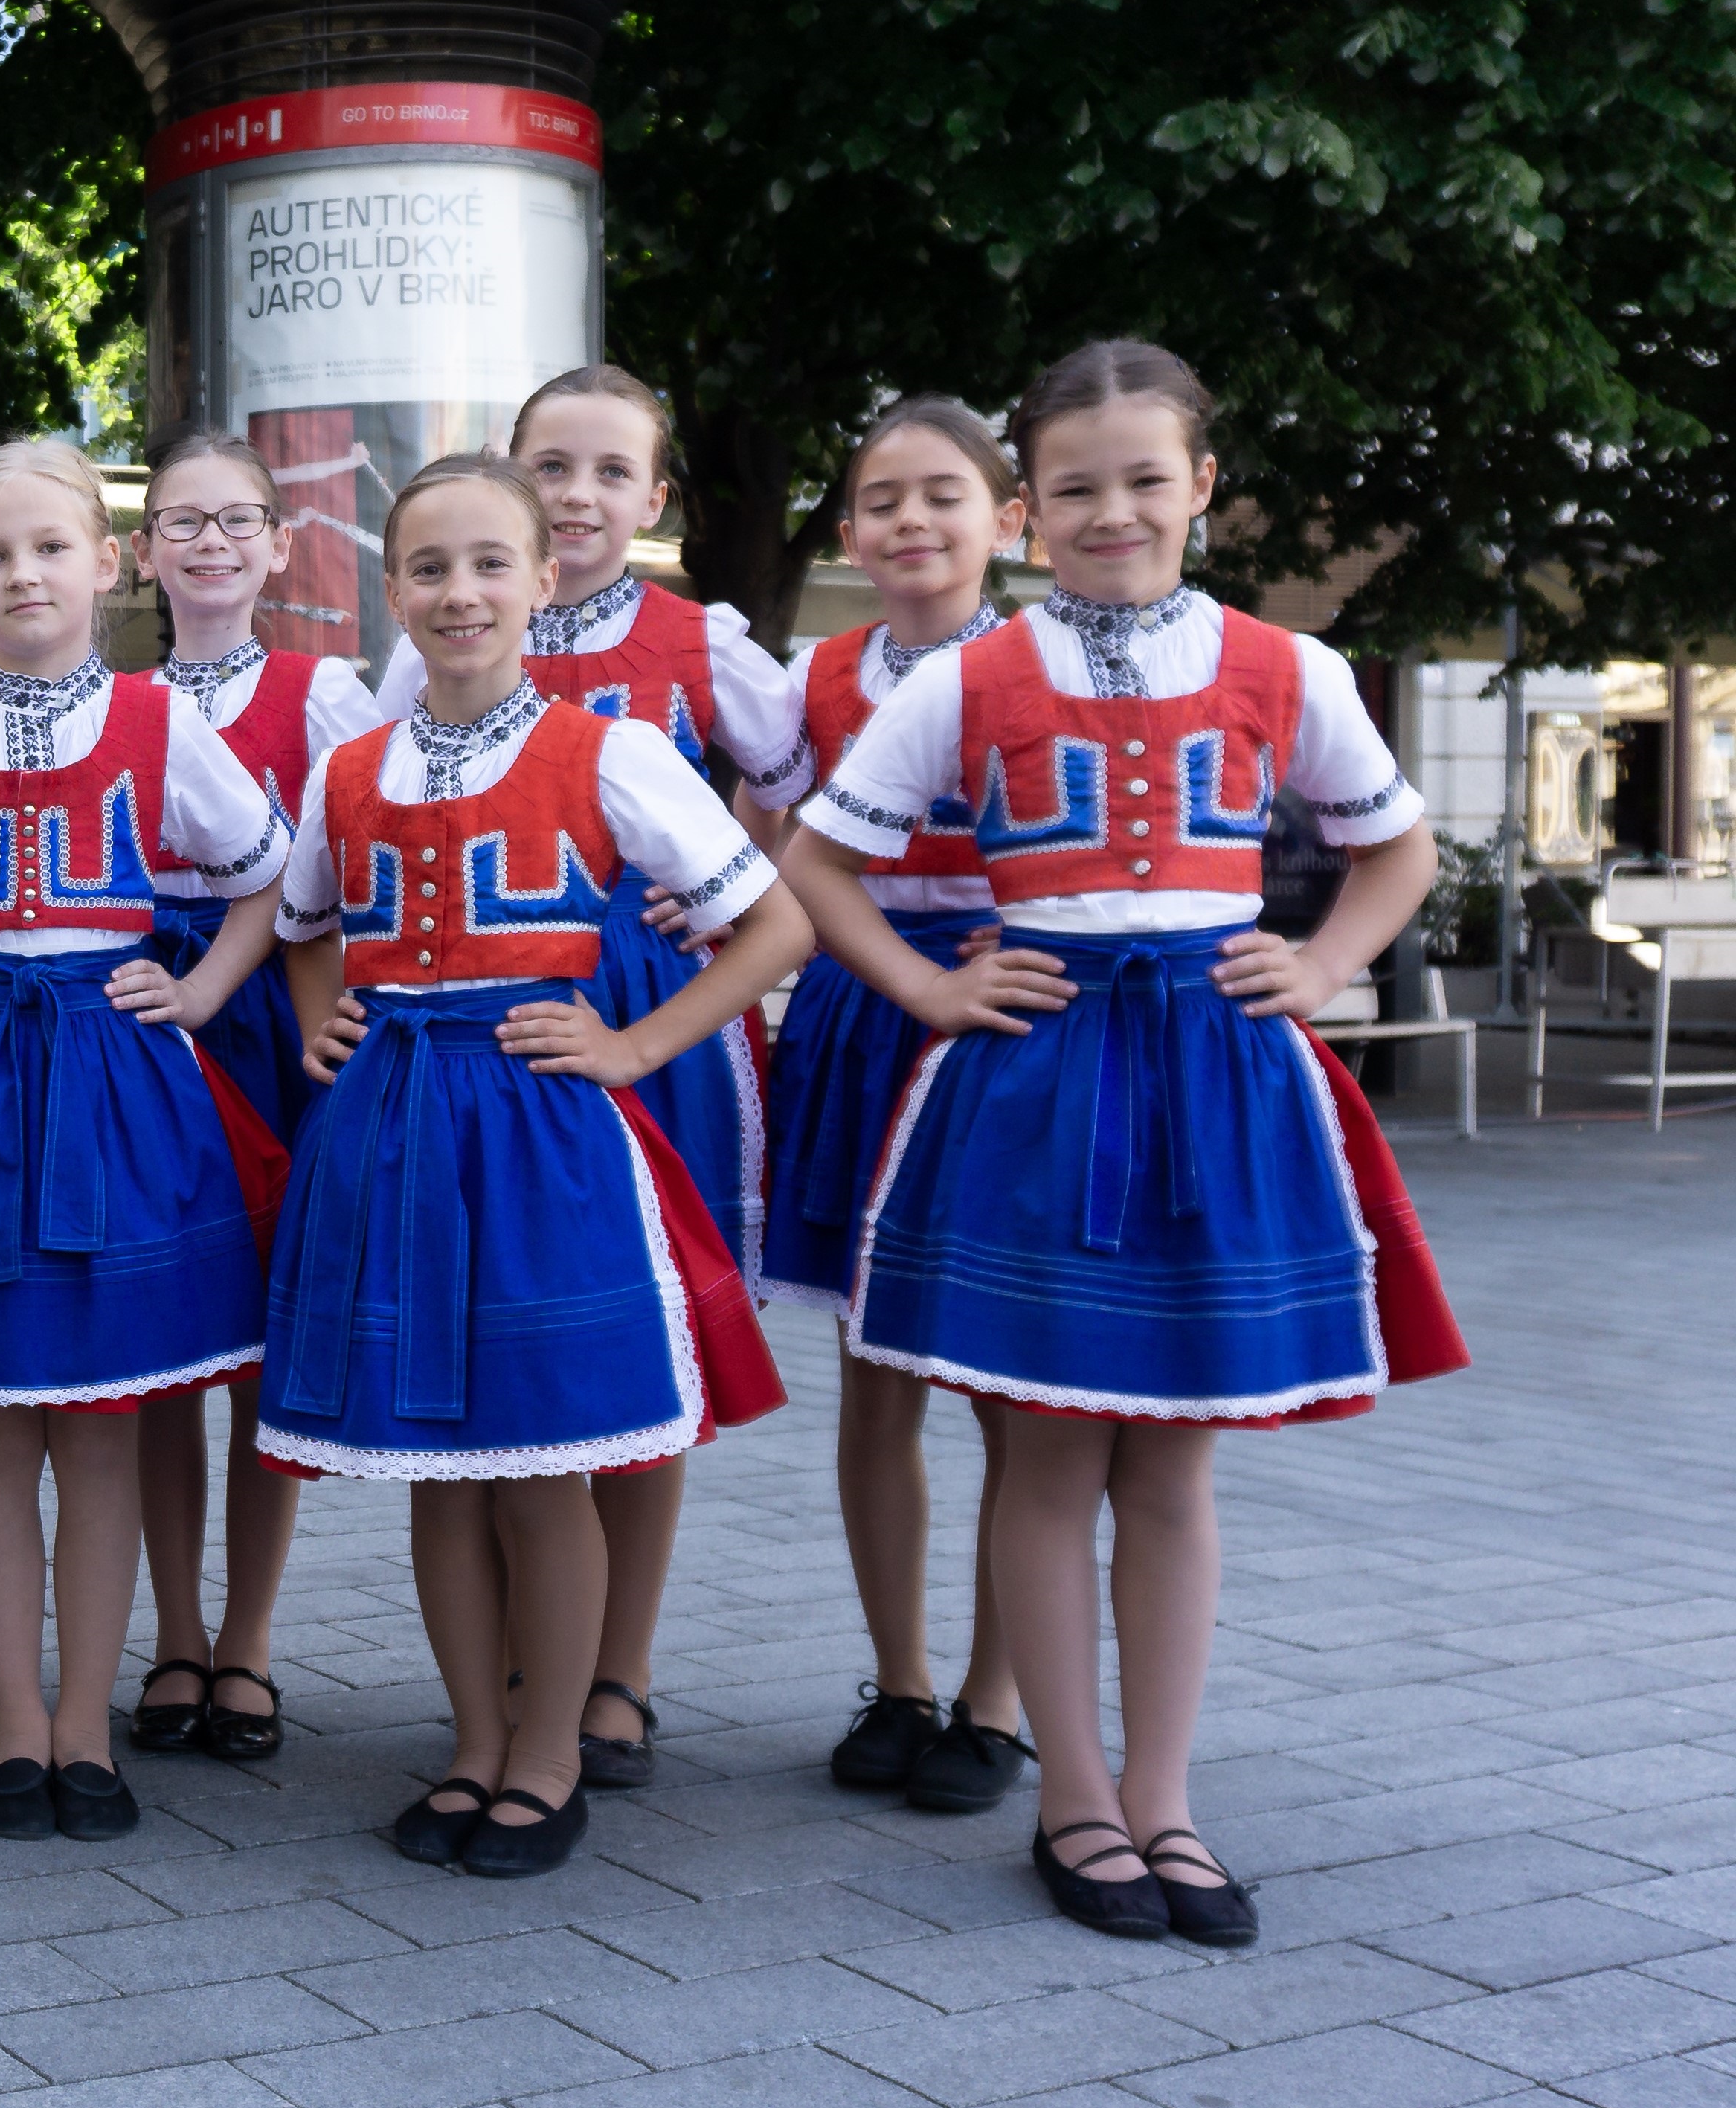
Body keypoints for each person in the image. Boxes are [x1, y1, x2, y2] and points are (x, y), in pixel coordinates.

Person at [782, 338, 1464, 1951]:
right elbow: (815, 860)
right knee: (1049, 1444)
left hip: (1214, 1073)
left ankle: (1165, 1795)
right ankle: (1074, 1799)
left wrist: (1323, 963)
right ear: (1030, 506)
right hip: (1036, 1082)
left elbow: (1399, 845)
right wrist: (928, 988)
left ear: (1201, 485)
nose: (1114, 511)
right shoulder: (968, 678)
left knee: (1172, 1452)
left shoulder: (1286, 665)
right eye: (1076, 486)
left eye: (1147, 479)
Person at [235, 453, 804, 1877]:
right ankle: (472, 1745)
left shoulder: (609, 753)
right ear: (392, 590)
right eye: (429, 568)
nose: (461, 592)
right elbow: (302, 926)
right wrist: (322, 1025)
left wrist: (635, 1043)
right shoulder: (350, 769)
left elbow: (776, 923)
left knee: (543, 1464)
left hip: (544, 1141)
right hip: (394, 1130)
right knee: (440, 1466)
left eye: (492, 563)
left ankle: (548, 1757)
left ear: (543, 580)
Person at [0, 437, 294, 1845]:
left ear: (107, 562)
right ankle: (15, 1724)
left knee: (100, 1426)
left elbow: (267, 876)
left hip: (113, 1084)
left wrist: (197, 994)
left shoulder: (159, 721)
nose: (23, 574)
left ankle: (85, 1724)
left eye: (49, 548)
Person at [376, 364, 807, 1795]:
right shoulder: (439, 638)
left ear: (653, 497)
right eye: (552, 467)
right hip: (489, 1017)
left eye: (611, 472)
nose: (578, 495)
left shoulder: (700, 641)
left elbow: (789, 789)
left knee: (633, 1333)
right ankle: (520, 1672)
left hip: (644, 999)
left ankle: (615, 1665)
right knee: (502, 1343)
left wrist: (719, 889)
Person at [749, 400, 1037, 1810]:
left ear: (1007, 521)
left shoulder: (1041, 666)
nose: (911, 521)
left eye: (943, 495)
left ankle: (998, 1699)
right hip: (866, 1014)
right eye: (881, 500)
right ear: (850, 532)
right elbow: (775, 854)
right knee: (876, 1377)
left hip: (1005, 1018)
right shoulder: (815, 676)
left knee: (1006, 1384)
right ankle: (902, 1680)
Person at [120, 430, 380, 1770]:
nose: (211, 542)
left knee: (266, 1347)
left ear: (281, 547)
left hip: (275, 1014)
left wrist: (345, 1013)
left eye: (237, 520)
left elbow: (372, 851)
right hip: (138, 1017)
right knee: (168, 1344)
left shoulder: (321, 690)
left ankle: (251, 1638)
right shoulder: (110, 698)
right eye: (183, 520)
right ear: (143, 552)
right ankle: (174, 1633)